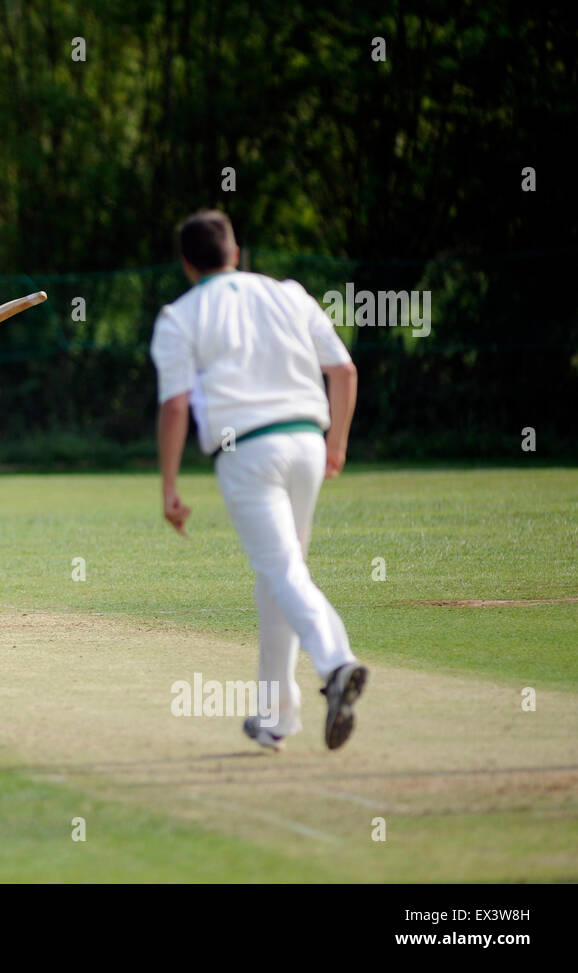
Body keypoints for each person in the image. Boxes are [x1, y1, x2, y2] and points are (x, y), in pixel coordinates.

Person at [149, 210, 366, 751]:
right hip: (308, 442)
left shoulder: (179, 316)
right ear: (236, 253)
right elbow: (343, 371)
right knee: (278, 578)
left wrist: (169, 487)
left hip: (246, 450)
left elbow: (175, 406)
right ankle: (276, 717)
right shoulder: (288, 293)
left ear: (186, 263)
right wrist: (337, 443)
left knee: (283, 572)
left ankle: (336, 663)